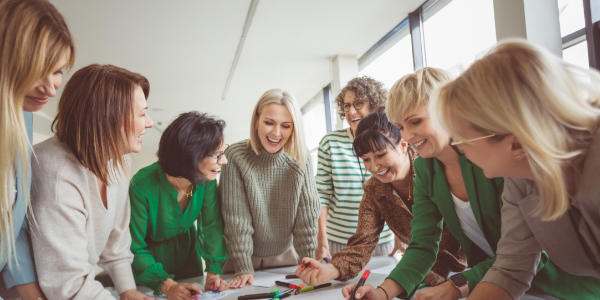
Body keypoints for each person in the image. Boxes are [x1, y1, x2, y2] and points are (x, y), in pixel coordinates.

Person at [341, 67, 599, 300]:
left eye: (416, 122)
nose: (408, 135)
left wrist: (458, 285)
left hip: (561, 285)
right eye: (400, 127)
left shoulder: (498, 160)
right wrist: (384, 292)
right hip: (501, 284)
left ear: (447, 110)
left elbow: (530, 247)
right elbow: (422, 244)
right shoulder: (426, 169)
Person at [432, 40, 600, 300]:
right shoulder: (521, 179)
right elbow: (510, 270)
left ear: (516, 142)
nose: (459, 149)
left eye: (462, 140)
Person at [296, 111, 466, 287]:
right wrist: (329, 270)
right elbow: (363, 243)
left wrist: (440, 268)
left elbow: (456, 227)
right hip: (424, 274)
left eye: (380, 155)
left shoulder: (433, 167)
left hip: (472, 265)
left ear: (402, 144)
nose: (374, 167)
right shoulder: (373, 191)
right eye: (366, 159)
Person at [31, 64, 154, 300]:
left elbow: (116, 241)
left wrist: (128, 290)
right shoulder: (55, 174)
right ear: (108, 118)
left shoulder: (119, 159)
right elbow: (69, 285)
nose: (149, 123)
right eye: (142, 114)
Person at [0, 0, 75, 299]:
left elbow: (12, 220)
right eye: (38, 70)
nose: (52, 88)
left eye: (57, 71)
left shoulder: (23, 116)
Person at [219, 88, 320, 289]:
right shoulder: (236, 156)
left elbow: (306, 218)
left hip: (286, 254)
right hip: (239, 257)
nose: (276, 133)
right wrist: (244, 266)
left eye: (286, 126)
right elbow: (236, 220)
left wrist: (309, 262)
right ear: (256, 121)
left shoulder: (301, 158)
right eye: (269, 123)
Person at [129, 111, 230, 300]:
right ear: (191, 156)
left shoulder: (203, 181)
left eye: (223, 153)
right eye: (217, 155)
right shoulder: (142, 187)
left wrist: (213, 275)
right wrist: (167, 286)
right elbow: (134, 247)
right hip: (146, 269)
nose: (224, 161)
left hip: (187, 259)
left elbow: (211, 226)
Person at [315, 77, 399, 263]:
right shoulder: (330, 143)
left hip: (381, 241)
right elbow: (322, 195)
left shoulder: (388, 138)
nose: (351, 111)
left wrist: (399, 235)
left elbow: (396, 190)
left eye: (358, 103)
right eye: (346, 106)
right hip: (338, 242)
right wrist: (321, 240)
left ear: (375, 104)